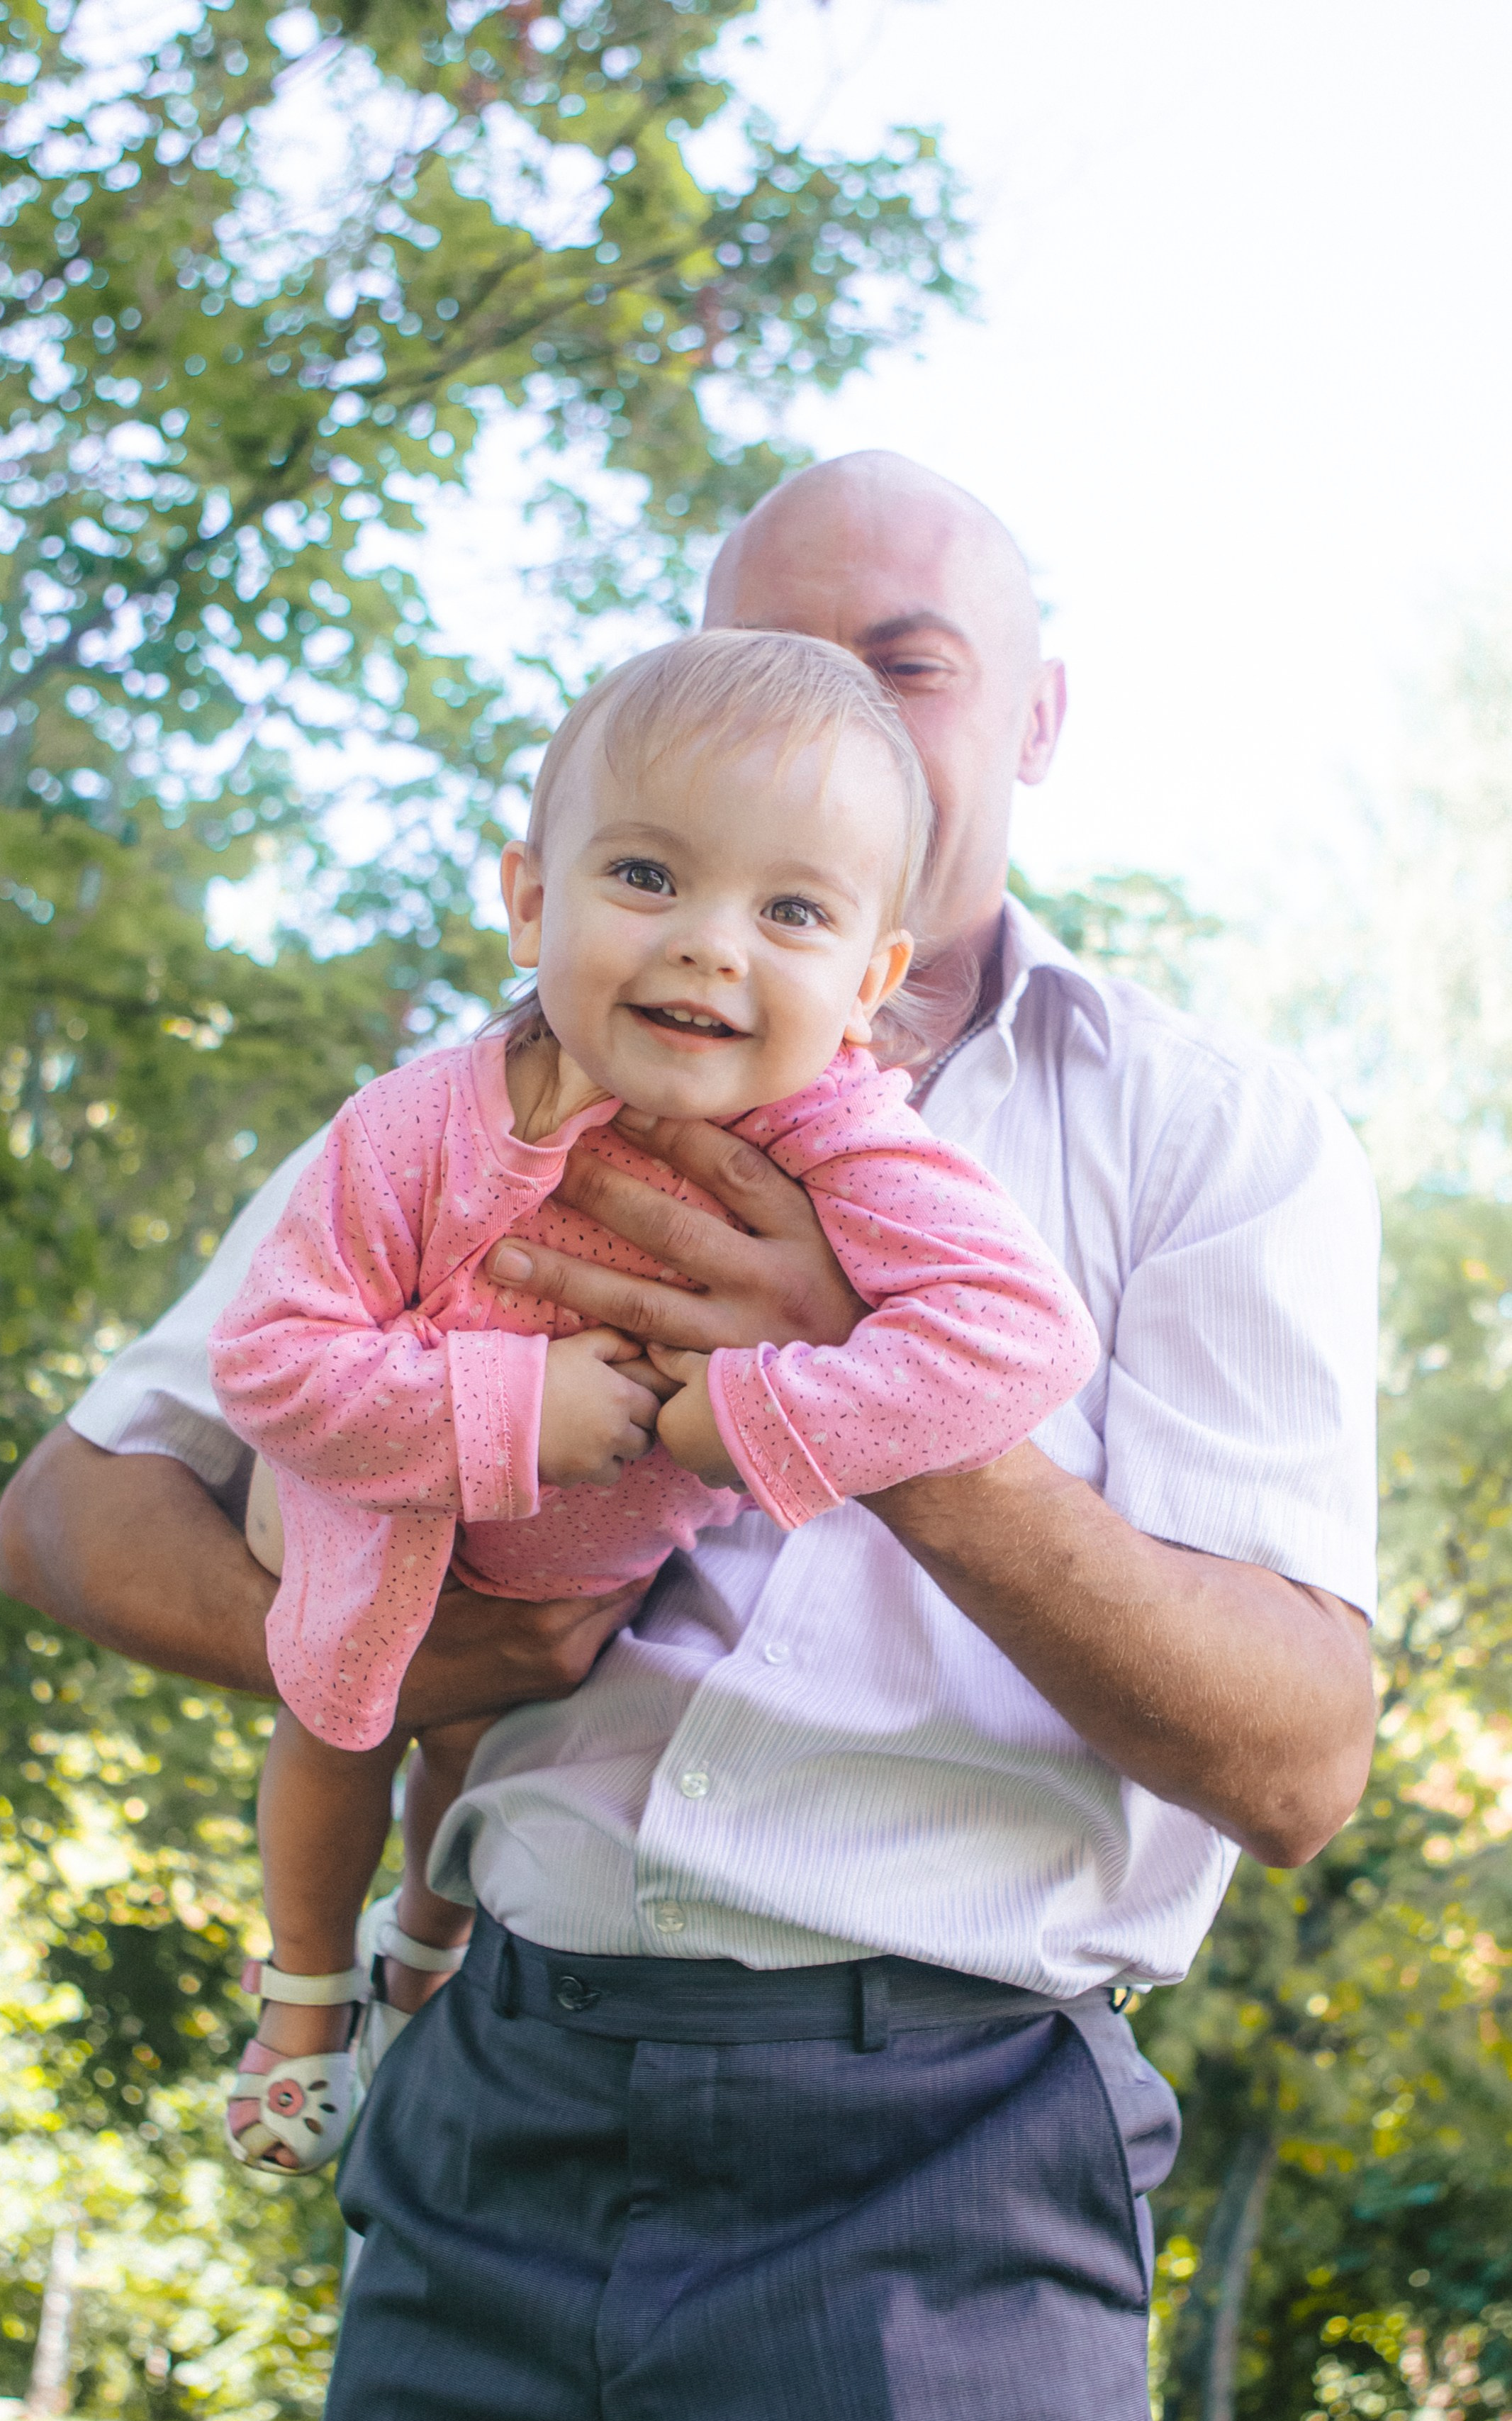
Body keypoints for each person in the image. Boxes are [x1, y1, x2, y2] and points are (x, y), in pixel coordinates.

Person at [0, 452, 1380, 2421]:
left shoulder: (1206, 1135)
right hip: (498, 2099)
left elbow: (1292, 1761)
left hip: (941, 2147)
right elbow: (70, 1520)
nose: (828, 708)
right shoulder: (482, 1089)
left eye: (902, 662)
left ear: (1032, 715)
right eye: (769, 652)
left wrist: (850, 1385)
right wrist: (419, 1637)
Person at [206, 628, 1096, 2175]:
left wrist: (751, 1417)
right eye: (645, 879)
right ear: (531, 901)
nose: (710, 944)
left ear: (870, 979)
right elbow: (271, 1357)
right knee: (344, 1712)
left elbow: (1017, 1336)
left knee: (477, 1750)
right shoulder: (420, 1120)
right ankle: (299, 2001)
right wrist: (504, 1406)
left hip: (579, 1583)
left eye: (792, 910)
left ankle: (423, 1947)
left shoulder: (840, 1137)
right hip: (371, 1512)